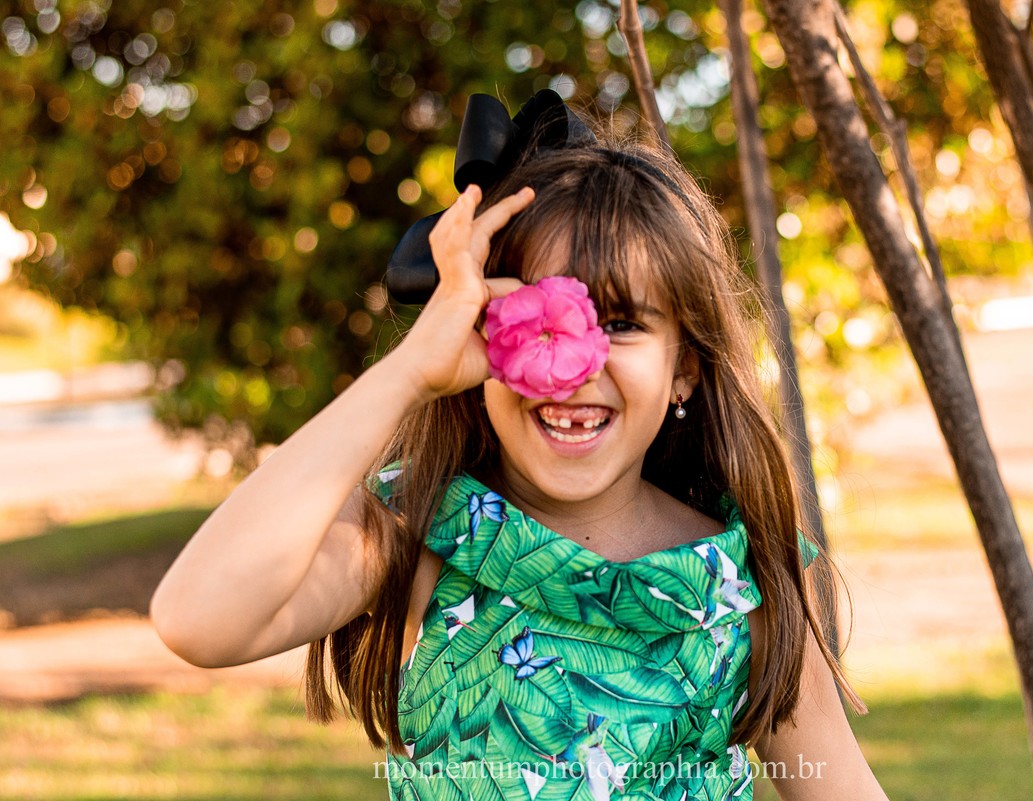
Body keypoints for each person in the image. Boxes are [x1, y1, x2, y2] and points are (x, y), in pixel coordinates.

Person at [151, 91, 888, 801]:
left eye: (623, 322)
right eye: (537, 317)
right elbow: (197, 617)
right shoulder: (415, 537)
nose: (575, 363)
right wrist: (412, 372)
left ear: (684, 367)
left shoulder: (739, 580)